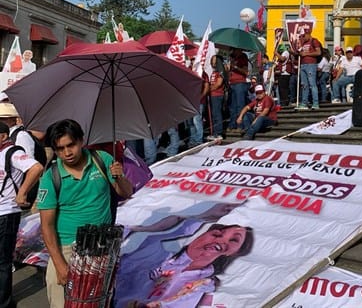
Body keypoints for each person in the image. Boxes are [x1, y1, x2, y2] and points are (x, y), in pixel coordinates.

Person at [37, 119, 134, 308]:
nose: (67, 153)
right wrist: (59, 264)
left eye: (71, 145)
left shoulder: (102, 160)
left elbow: (126, 192)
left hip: (101, 246)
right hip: (66, 249)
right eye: (60, 148)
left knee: (99, 301)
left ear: (81, 140)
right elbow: (46, 226)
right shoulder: (51, 177)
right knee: (61, 303)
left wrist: (119, 176)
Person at [117, 218, 253, 307]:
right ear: (201, 233)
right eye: (218, 233)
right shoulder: (157, 250)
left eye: (234, 240)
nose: (222, 240)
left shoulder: (204, 285)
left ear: (233, 253)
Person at [0, 121, 43, 308]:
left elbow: (36, 168)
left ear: (2, 136)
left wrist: (22, 192)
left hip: (7, 212)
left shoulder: (14, 152)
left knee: (2, 261)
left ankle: (4, 303)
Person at [296, 26, 322, 110]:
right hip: (303, 65)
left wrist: (306, 54)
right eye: (302, 36)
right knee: (304, 85)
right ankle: (304, 103)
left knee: (312, 84)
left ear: (308, 34)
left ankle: (315, 103)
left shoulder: (314, 41)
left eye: (304, 35)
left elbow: (318, 52)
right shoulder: (303, 43)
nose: (303, 37)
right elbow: (301, 54)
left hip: (311, 65)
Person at [226, 48, 249, 133]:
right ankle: (232, 125)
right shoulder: (232, 58)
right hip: (232, 83)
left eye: (234, 50)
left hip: (240, 83)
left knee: (240, 105)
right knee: (232, 106)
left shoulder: (243, 57)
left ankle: (240, 125)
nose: (233, 51)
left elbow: (246, 72)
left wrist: (235, 67)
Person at [207, 55, 225, 141]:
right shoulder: (214, 72)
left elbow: (218, 83)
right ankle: (214, 132)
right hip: (212, 95)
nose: (213, 62)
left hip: (217, 95)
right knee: (214, 114)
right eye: (212, 61)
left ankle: (219, 132)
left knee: (217, 114)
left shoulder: (220, 72)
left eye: (215, 61)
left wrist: (209, 89)